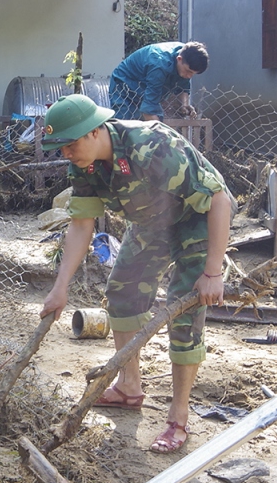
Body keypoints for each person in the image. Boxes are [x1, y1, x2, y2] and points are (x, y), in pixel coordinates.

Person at [38, 94, 235, 453]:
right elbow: (82, 224)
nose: (65, 154)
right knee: (122, 292)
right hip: (151, 223)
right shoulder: (83, 165)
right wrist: (60, 287)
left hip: (197, 219)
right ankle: (129, 387)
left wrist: (213, 271)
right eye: (60, 148)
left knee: (184, 308)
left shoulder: (153, 146)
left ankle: (178, 417)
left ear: (96, 131)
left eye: (70, 144)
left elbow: (220, 200)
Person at [110, 41, 207, 121]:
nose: (189, 76)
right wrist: (163, 136)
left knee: (156, 119)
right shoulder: (159, 64)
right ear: (179, 59)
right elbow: (148, 111)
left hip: (145, 87)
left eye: (193, 74)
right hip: (124, 85)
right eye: (188, 71)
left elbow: (183, 85)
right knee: (124, 125)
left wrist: (185, 104)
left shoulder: (187, 54)